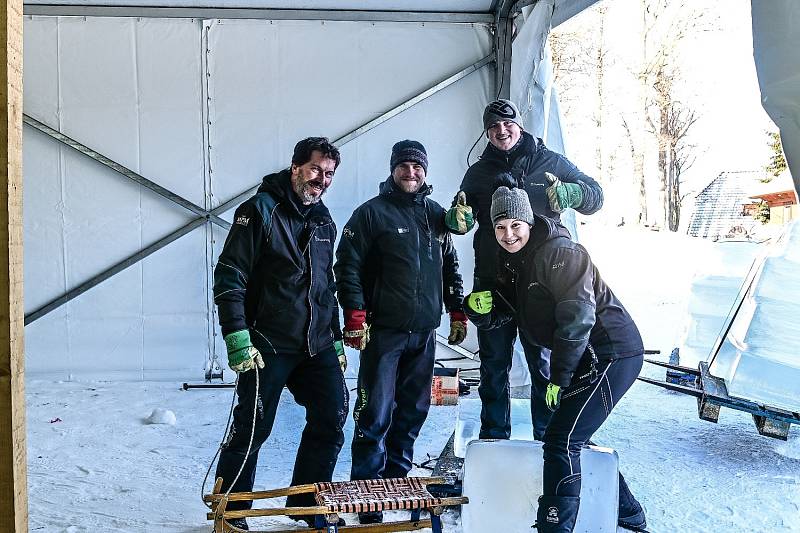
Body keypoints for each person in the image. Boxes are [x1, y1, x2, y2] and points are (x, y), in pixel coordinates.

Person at [464, 186, 645, 532]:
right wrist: (478, 310)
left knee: (562, 441)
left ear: (530, 223)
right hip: (584, 355)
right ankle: (628, 511)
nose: (508, 234)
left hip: (612, 353)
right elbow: (508, 310)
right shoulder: (517, 261)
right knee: (573, 433)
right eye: (500, 227)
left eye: (516, 225)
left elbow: (578, 319)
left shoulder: (562, 253)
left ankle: (555, 527)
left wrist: (559, 377)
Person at [212, 137, 349, 531]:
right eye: (314, 170)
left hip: (315, 343)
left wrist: (335, 339)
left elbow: (326, 288)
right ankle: (232, 512)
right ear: (295, 168)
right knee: (252, 425)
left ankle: (307, 502)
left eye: (328, 174)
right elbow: (230, 276)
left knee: (333, 413)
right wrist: (236, 336)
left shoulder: (325, 222)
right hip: (267, 342)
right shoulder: (259, 211)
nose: (320, 179)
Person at [334, 140, 466, 525]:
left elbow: (450, 266)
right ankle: (366, 493)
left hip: (425, 333)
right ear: (393, 170)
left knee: (412, 410)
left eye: (417, 167)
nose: (411, 173)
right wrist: (355, 315)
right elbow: (348, 267)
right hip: (383, 333)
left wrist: (457, 311)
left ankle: (395, 482)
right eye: (404, 166)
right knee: (375, 411)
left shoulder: (436, 215)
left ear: (426, 172)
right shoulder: (370, 215)